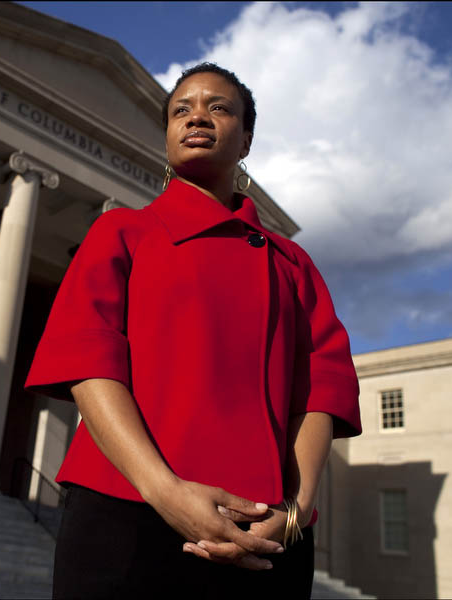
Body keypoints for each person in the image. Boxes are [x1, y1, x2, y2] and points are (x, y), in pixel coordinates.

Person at [24, 62, 361, 599]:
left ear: (246, 140)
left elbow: (323, 386)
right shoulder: (122, 232)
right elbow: (86, 360)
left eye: (218, 107)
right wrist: (165, 492)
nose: (196, 117)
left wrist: (294, 512)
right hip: (128, 515)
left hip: (266, 530)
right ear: (167, 137)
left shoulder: (292, 262)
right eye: (181, 109)